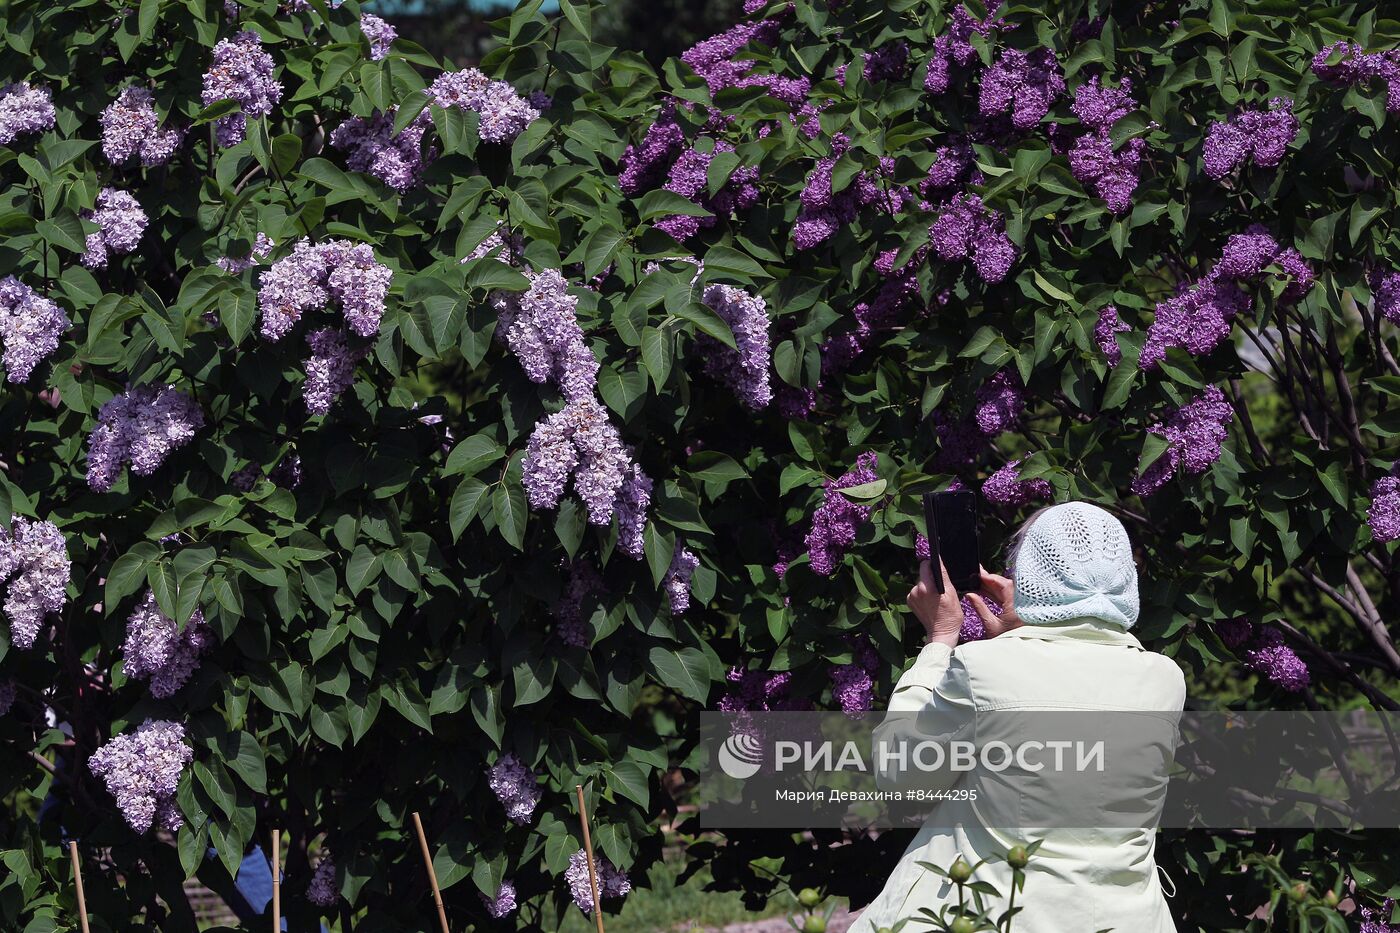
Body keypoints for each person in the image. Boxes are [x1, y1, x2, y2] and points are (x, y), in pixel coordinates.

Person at [851, 500, 1186, 933]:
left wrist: (938, 642)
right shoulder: (1164, 680)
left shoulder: (982, 668)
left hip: (994, 917)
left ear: (1030, 576)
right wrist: (1023, 632)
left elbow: (900, 774)